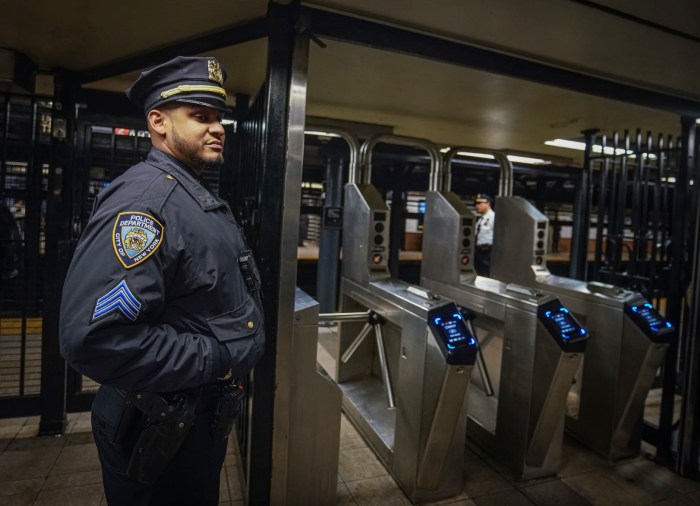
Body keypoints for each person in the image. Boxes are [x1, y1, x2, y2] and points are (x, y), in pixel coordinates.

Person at [59, 56, 265, 506]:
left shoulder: (190, 192)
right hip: (161, 427)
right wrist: (218, 356)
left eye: (218, 117)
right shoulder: (146, 206)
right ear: (158, 122)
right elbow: (95, 339)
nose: (217, 128)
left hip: (188, 421)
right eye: (200, 116)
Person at [474, 193, 495, 276]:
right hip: (478, 252)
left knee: (486, 276)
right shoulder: (480, 219)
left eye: (479, 204)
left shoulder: (493, 218)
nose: (477, 206)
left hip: (488, 253)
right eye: (476, 204)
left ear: (487, 204)